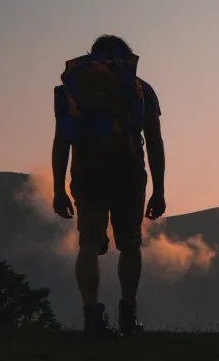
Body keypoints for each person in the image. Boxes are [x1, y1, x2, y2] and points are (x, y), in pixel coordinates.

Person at [51, 35, 166, 337]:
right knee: (130, 244)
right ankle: (128, 317)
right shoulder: (139, 89)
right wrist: (159, 188)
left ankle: (92, 317)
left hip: (87, 173)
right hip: (128, 173)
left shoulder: (75, 89)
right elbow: (154, 141)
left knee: (88, 245)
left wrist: (58, 188)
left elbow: (62, 141)